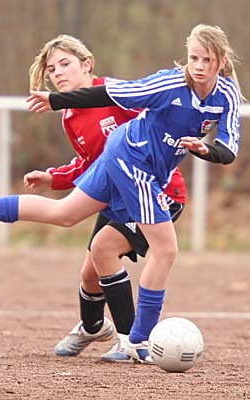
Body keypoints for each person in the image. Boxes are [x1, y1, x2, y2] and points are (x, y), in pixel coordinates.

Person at [0, 24, 242, 363]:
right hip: (132, 164)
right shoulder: (156, 88)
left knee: (72, 223)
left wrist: (205, 150)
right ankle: (135, 341)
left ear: (221, 61)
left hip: (155, 181)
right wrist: (56, 114)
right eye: (193, 58)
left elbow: (227, 149)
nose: (198, 66)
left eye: (207, 60)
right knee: (163, 250)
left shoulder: (225, 94)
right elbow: (97, 130)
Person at [24, 34, 186, 362]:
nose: (58, 73)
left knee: (103, 250)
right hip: (115, 196)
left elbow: (158, 116)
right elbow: (90, 164)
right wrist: (54, 177)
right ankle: (93, 326)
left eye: (65, 64)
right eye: (52, 70)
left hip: (156, 193)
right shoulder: (70, 116)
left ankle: (130, 341)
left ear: (88, 65)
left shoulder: (115, 94)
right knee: (90, 273)